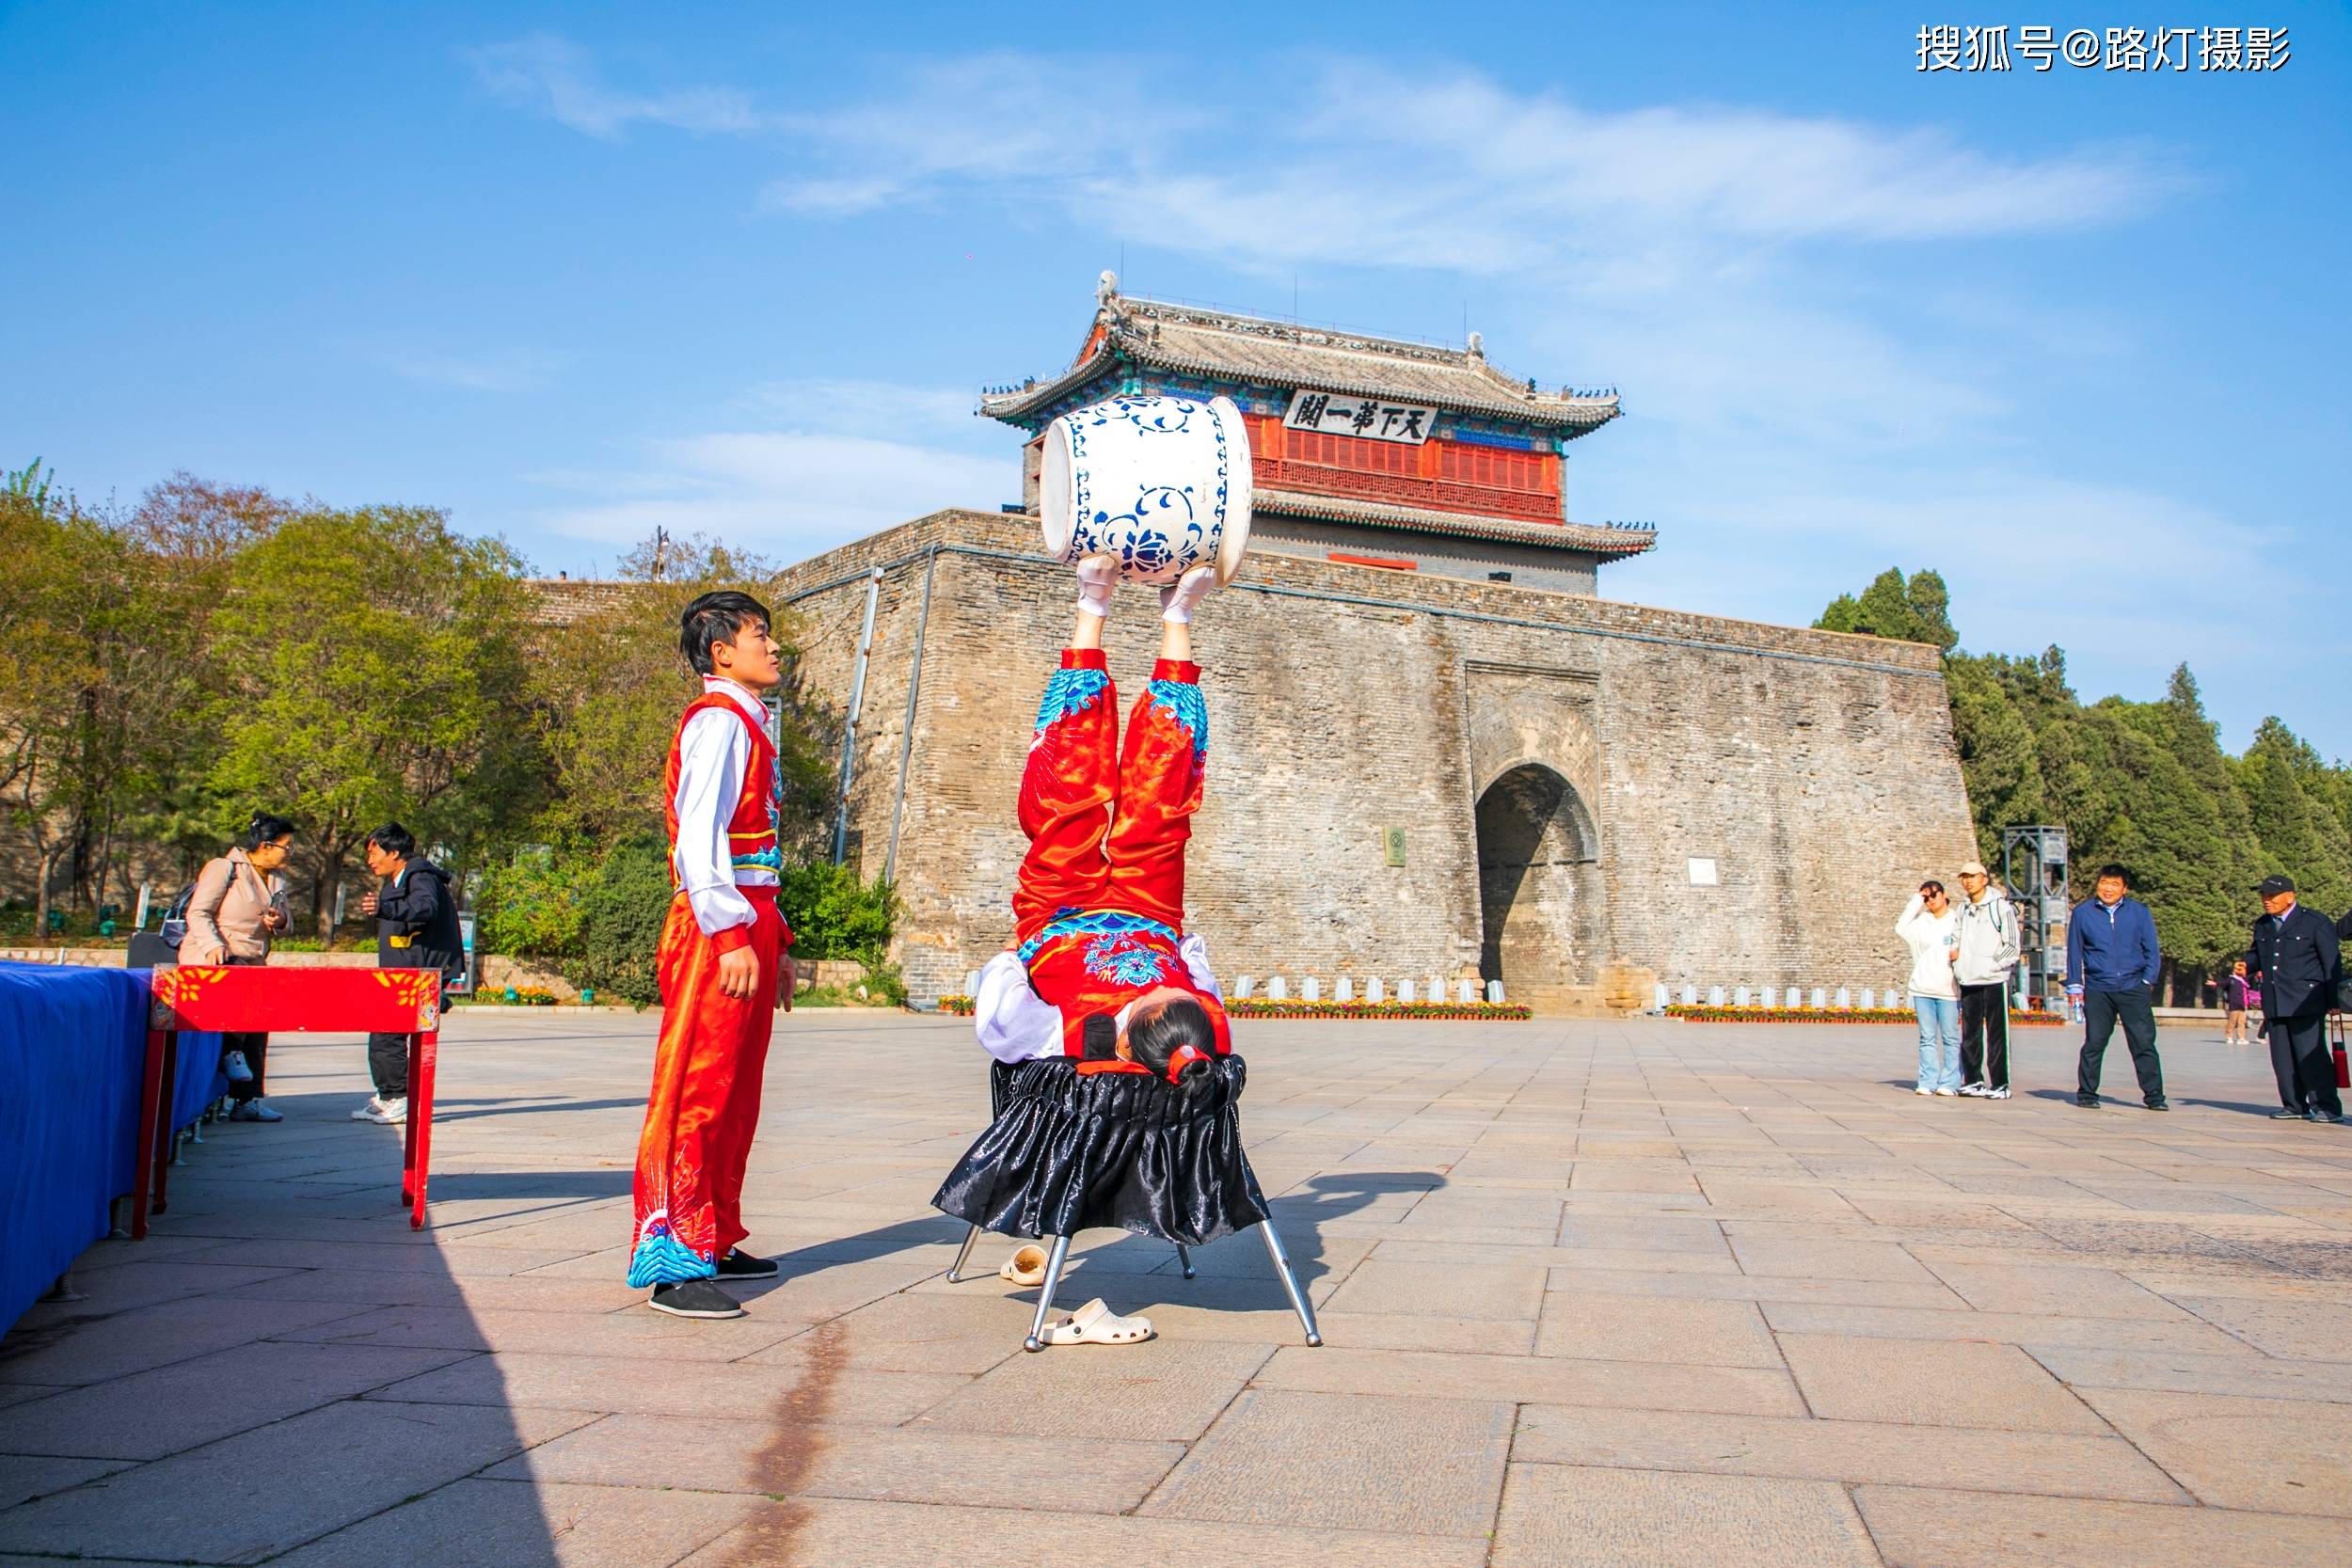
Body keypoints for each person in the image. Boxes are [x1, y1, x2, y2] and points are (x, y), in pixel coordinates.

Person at [627, 591, 799, 1321]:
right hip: (714, 926)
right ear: (721, 649)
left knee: (736, 1089)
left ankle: (715, 1231)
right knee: (695, 1085)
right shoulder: (719, 723)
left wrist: (776, 936)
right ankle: (669, 1253)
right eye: (761, 634)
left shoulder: (752, 725)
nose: (774, 646)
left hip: (752, 915)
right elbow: (698, 840)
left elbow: (756, 851)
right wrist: (729, 932)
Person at [181, 812, 296, 1122]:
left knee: (259, 1026)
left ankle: (250, 1100)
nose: (290, 853)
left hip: (253, 958)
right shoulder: (225, 868)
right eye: (287, 846)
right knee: (239, 1003)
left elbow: (287, 923)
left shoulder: (277, 879)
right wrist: (212, 945)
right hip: (220, 956)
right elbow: (199, 912)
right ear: (266, 845)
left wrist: (280, 921)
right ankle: (230, 1054)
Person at [352, 823, 464, 1127]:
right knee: (382, 1031)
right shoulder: (395, 880)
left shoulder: (420, 877)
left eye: (374, 853)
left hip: (417, 973)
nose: (370, 860)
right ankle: (387, 1094)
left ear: (394, 852)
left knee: (388, 1032)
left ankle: (398, 1098)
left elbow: (424, 908)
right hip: (399, 973)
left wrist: (384, 907)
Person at [2066, 863, 2166, 1110]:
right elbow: (2075, 951)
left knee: (2143, 1043)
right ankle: (2087, 1093)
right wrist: (2075, 985)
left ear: (2124, 889)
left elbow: (2151, 949)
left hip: (2133, 986)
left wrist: (2147, 980)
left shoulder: (2139, 912)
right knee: (2095, 1042)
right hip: (2099, 988)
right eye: (2104, 883)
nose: (2108, 889)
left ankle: (2154, 1096)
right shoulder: (2083, 913)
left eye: (2114, 884)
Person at [2246, 875, 2344, 1123]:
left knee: (2311, 1056)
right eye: (2263, 896)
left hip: (2305, 1002)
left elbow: (2331, 963)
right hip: (2275, 1000)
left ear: (2290, 896)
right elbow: (2257, 955)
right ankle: (2294, 1105)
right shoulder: (2263, 925)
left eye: (2271, 896)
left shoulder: (2315, 923)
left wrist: (2333, 1001)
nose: (2266, 901)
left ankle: (2327, 1107)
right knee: (2282, 1058)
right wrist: (2243, 966)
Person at [1952, 861, 2021, 1100]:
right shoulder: (1963, 909)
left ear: (1984, 879)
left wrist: (1994, 965)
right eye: (1964, 877)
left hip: (1993, 979)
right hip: (1969, 978)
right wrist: (1958, 962)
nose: (1968, 881)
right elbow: (1956, 937)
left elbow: (2012, 942)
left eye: (1972, 876)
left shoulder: (2001, 908)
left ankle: (2000, 1083)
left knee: (1997, 1034)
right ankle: (1973, 1080)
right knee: (1970, 1034)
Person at [1896, 879, 1963, 1096]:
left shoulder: (1956, 920)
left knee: (1951, 1038)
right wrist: (1917, 898)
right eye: (1927, 897)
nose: (1931, 900)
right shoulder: (1921, 922)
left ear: (1944, 895)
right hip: (1922, 988)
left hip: (1948, 990)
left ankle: (1950, 1082)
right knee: (1927, 1038)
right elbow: (1900, 926)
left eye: (1934, 894)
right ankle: (1927, 1080)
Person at [2221, 960, 2252, 1047]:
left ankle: (2241, 1038)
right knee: (2232, 1021)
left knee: (2242, 1022)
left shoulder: (2244, 981)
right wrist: (2215, 984)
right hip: (2234, 1003)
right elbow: (2222, 983)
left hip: (2243, 1004)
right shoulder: (2231, 979)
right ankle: (2229, 1036)